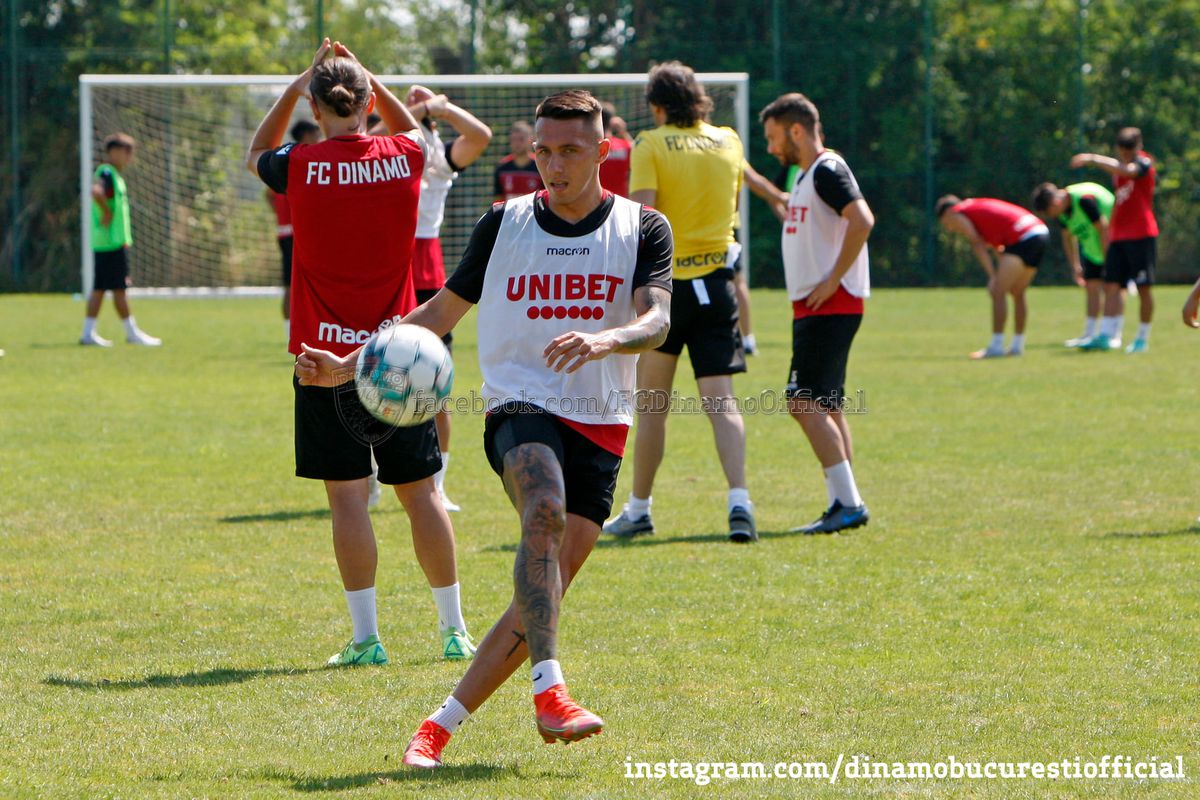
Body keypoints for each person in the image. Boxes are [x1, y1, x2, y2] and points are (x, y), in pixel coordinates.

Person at [295, 89, 673, 768]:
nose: (553, 165)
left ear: (605, 151)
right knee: (545, 510)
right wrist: (348, 368)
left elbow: (658, 320)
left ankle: (435, 728)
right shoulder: (505, 223)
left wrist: (608, 339)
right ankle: (552, 691)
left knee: (542, 593)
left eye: (570, 151)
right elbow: (438, 311)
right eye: (543, 151)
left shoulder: (643, 228)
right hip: (519, 407)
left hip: (602, 422)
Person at [246, 39, 474, 666]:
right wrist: (372, 79)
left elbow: (256, 154)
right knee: (422, 495)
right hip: (399, 355)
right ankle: (453, 630)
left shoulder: (300, 164)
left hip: (322, 362)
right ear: (368, 101)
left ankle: (366, 640)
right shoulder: (403, 153)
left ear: (316, 109)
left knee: (349, 499)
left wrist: (296, 85)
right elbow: (410, 130)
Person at [604, 61, 755, 543]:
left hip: (665, 290)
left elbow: (643, 220)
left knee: (652, 406)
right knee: (722, 402)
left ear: (656, 104)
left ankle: (639, 508)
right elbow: (730, 206)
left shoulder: (651, 143)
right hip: (718, 285)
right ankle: (740, 503)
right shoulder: (729, 141)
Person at [759, 93, 874, 534]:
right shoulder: (807, 176)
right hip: (816, 306)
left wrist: (832, 279)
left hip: (830, 304)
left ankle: (849, 503)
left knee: (801, 401)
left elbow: (862, 219)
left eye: (773, 138)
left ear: (797, 131)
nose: (771, 148)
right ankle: (844, 501)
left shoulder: (827, 168)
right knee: (827, 404)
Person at [405, 84, 493, 512]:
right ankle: (366, 476)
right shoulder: (384, 148)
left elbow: (480, 136)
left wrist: (442, 107)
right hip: (385, 271)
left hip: (426, 271)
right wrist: (418, 107)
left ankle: (438, 483)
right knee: (369, 375)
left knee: (436, 383)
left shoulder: (437, 156)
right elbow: (379, 129)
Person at [1071, 128, 1159, 353]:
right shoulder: (1118, 168)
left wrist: (1092, 159)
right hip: (1119, 235)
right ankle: (1108, 335)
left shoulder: (1144, 163)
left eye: (1129, 151)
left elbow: (1130, 171)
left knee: (1143, 288)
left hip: (1141, 234)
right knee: (1111, 286)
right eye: (1122, 152)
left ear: (1138, 148)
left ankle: (1142, 338)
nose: (1126, 156)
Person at [935, 195, 1049, 358]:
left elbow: (976, 243)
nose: (950, 229)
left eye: (946, 224)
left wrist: (993, 276)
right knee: (1017, 292)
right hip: (1039, 232)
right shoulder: (977, 211)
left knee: (997, 291)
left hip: (1023, 237)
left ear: (947, 213)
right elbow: (999, 249)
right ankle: (1017, 346)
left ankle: (996, 347)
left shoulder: (957, 211)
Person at [80, 133, 161, 347]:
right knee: (118, 289)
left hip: (108, 241)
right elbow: (96, 191)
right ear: (113, 152)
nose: (129, 156)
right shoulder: (107, 172)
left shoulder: (113, 175)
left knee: (102, 288)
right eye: (127, 151)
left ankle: (88, 332)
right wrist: (106, 212)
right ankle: (131, 333)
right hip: (111, 242)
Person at [1031, 181, 1114, 347]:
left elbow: (1103, 228)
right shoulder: (1063, 211)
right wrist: (1075, 265)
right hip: (1092, 249)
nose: (1052, 216)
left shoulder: (1084, 200)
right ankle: (1089, 334)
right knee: (1092, 289)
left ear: (1055, 203)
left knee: (1112, 289)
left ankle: (1111, 334)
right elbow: (1068, 238)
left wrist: (1109, 259)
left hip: (1113, 245)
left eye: (1050, 212)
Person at [266, 120, 321, 341]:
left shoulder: (289, 160)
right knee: (291, 284)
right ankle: (291, 333)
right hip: (292, 234)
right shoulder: (299, 159)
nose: (319, 136)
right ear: (306, 135)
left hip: (292, 232)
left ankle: (305, 329)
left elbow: (269, 194)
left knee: (303, 284)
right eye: (315, 133)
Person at [493, 120, 543, 202]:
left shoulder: (540, 165)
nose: (517, 143)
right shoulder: (502, 168)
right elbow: (498, 200)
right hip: (510, 214)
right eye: (514, 139)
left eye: (521, 139)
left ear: (531, 140)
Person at [598, 101, 631, 197]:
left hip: (594, 204)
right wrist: (624, 133)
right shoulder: (625, 146)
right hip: (620, 203)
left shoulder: (588, 147)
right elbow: (638, 151)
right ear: (611, 122)